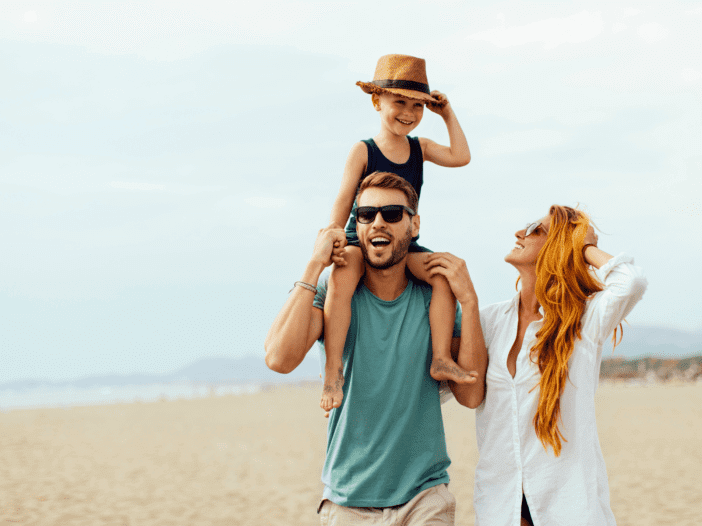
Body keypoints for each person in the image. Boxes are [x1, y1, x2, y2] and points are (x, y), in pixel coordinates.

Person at [265, 172, 487, 524]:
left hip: (424, 496)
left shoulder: (436, 302)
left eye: (392, 214)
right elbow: (278, 358)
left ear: (414, 225)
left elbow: (472, 395)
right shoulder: (337, 293)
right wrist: (315, 263)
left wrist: (470, 301)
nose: (377, 223)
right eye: (366, 215)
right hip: (347, 501)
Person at [426, 206, 648, 526]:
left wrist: (583, 247)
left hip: (569, 510)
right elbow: (447, 388)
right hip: (500, 509)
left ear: (558, 246)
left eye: (535, 229)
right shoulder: (489, 321)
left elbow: (632, 281)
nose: (520, 233)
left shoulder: (582, 323)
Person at [321, 53, 473, 413]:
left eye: (416, 105)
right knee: (341, 280)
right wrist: (333, 234)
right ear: (377, 101)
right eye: (399, 103)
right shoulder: (364, 150)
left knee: (441, 275)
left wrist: (446, 114)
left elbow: (461, 156)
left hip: (406, 242)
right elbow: (344, 198)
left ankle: (439, 357)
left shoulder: (419, 148)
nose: (408, 112)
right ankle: (332, 370)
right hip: (362, 237)